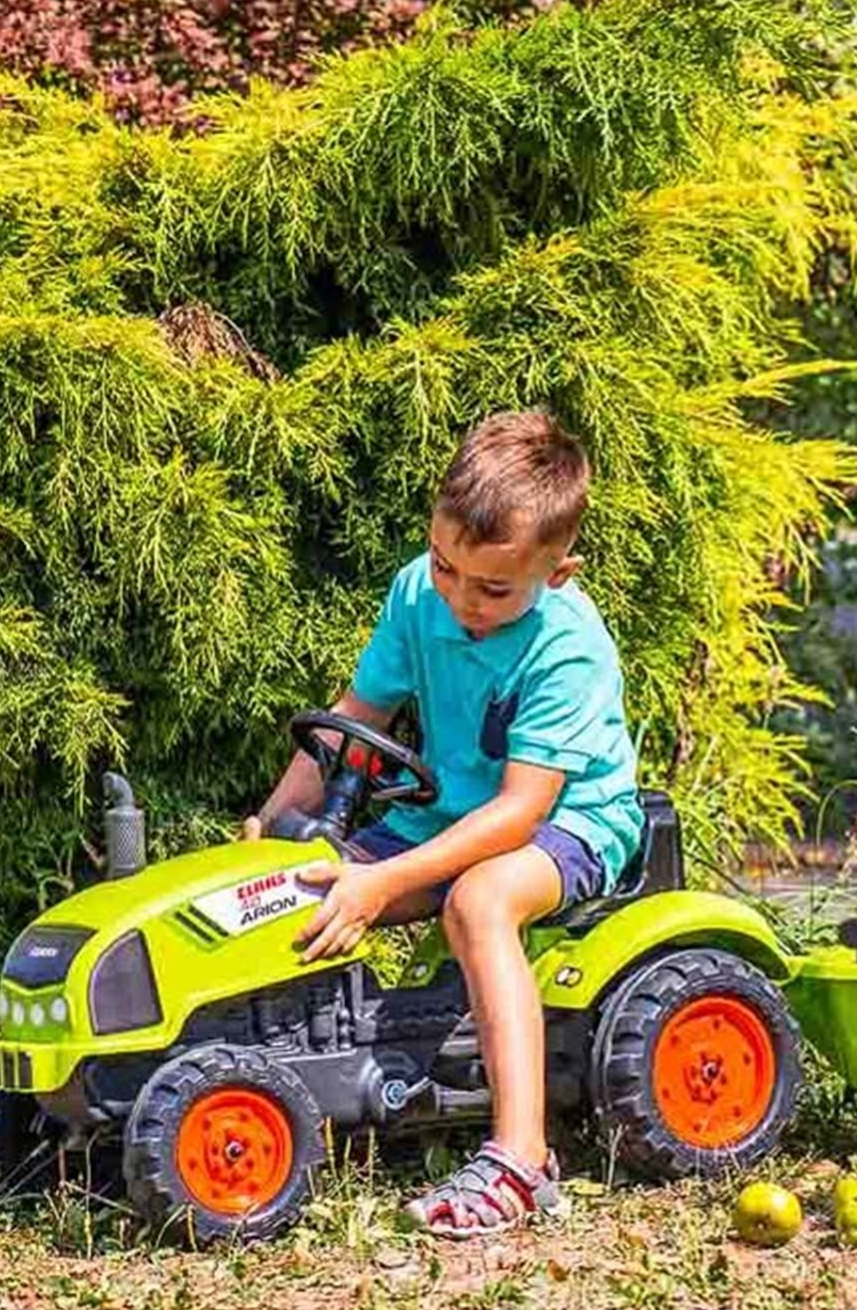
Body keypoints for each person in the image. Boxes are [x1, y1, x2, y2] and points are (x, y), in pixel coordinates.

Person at [247, 410, 644, 1238]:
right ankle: (277, 1086)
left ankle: (522, 1160)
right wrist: (277, 822)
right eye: (445, 565)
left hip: (569, 823)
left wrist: (386, 879)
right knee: (292, 889)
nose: (462, 598)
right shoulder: (416, 594)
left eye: (493, 589)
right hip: (447, 814)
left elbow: (521, 810)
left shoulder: (566, 648)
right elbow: (356, 717)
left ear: (559, 572)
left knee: (477, 901)